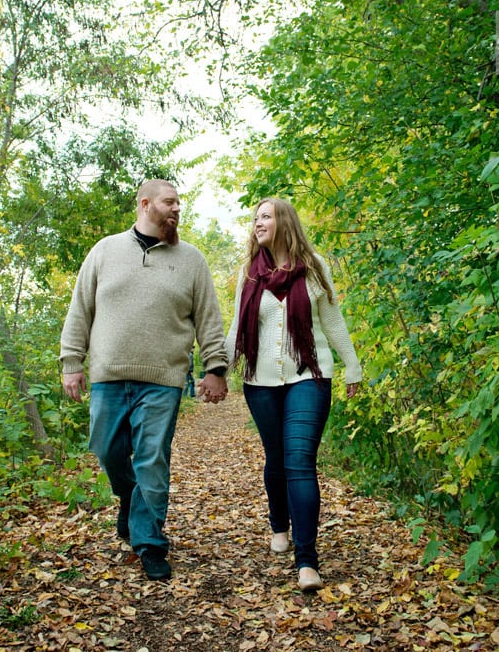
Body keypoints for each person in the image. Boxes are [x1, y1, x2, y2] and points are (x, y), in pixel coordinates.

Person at [60, 179, 229, 581]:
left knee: (153, 457)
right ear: (145, 204)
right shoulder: (105, 250)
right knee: (105, 449)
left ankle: (150, 542)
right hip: (108, 375)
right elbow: (80, 308)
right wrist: (71, 361)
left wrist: (215, 368)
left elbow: (208, 318)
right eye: (169, 203)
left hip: (163, 378)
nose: (176, 210)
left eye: (178, 204)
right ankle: (129, 499)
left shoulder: (191, 260)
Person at [225, 197, 361, 592]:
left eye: (264, 216)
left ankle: (307, 561)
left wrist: (351, 363)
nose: (257, 223)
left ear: (284, 221)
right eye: (254, 218)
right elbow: (237, 325)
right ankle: (278, 524)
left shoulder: (315, 266)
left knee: (300, 461)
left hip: (309, 376)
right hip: (260, 383)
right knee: (278, 460)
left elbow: (332, 318)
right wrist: (217, 368)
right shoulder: (249, 273)